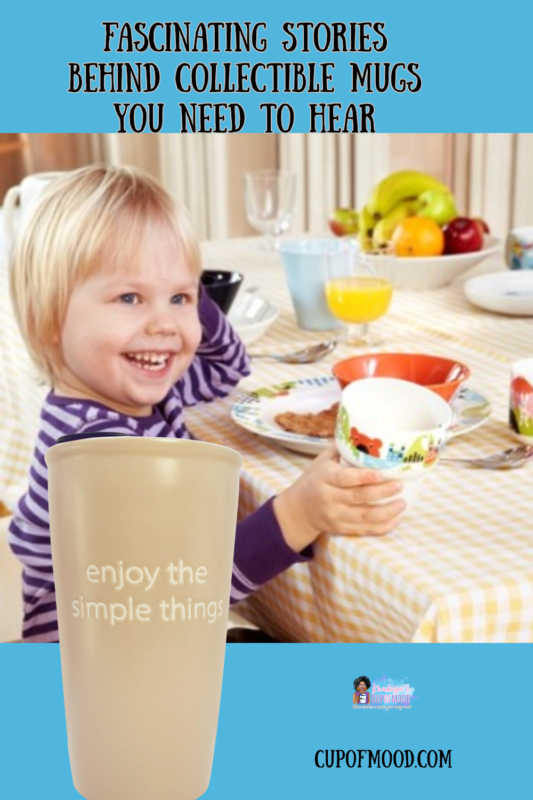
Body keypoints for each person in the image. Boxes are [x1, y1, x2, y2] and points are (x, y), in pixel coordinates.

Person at [8, 165, 406, 643]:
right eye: (129, 296)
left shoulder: (129, 394)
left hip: (155, 652)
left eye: (179, 297)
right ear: (50, 317)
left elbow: (226, 369)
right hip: (112, 684)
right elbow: (180, 597)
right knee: (373, 692)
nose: (162, 323)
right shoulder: (99, 455)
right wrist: (298, 514)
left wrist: (182, 293)